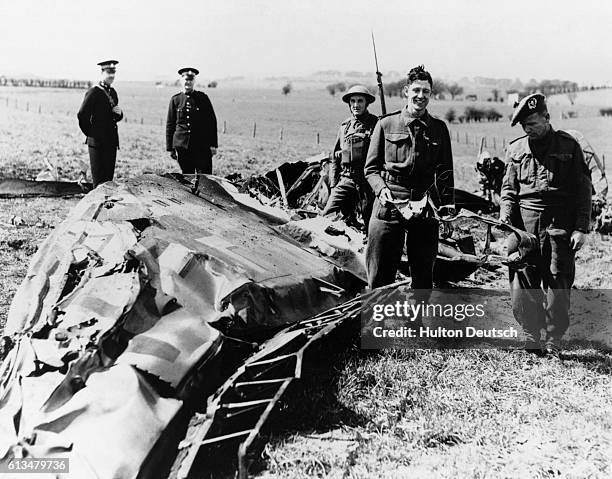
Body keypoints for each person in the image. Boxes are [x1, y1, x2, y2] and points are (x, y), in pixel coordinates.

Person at [500, 93, 592, 357]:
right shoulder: (516, 149)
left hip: (558, 225)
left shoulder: (568, 146)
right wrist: (506, 217)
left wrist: (581, 228)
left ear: (547, 118)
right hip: (524, 226)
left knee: (558, 284)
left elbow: (583, 190)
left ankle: (553, 338)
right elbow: (508, 190)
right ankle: (531, 334)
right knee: (523, 282)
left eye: (532, 123)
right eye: (524, 125)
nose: (528, 129)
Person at [364, 65, 454, 289]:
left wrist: (447, 208)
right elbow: (371, 169)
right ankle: (379, 323)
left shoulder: (439, 129)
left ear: (431, 94)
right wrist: (380, 188)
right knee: (380, 275)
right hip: (389, 204)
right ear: (406, 91)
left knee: (423, 277)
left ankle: (417, 323)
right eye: (416, 90)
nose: (420, 96)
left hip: (424, 205)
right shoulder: (385, 124)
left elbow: (445, 174)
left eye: (426, 91)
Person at [321, 85, 378, 231]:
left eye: (360, 101)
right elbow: (334, 157)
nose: (356, 105)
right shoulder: (345, 127)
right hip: (346, 178)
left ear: (367, 103)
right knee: (326, 214)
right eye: (353, 101)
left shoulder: (376, 124)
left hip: (366, 180)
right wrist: (334, 184)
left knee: (370, 221)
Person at [77, 60, 123, 187]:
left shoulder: (112, 92)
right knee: (98, 182)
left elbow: (113, 116)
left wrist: (119, 114)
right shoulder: (94, 92)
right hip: (97, 143)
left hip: (111, 141)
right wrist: (91, 134)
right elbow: (82, 115)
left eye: (113, 73)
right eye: (109, 72)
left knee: (108, 180)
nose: (111, 76)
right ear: (102, 73)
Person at [166, 67, 217, 174]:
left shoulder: (203, 98)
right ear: (181, 81)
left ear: (194, 81)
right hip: (182, 146)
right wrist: (170, 148)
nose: (188, 83)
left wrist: (213, 145)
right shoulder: (175, 100)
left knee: (205, 178)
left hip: (201, 146)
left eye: (191, 80)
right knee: (187, 177)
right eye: (186, 80)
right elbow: (170, 125)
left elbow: (211, 122)